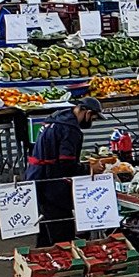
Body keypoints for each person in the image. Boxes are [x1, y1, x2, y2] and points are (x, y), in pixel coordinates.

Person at [29, 90, 102, 247]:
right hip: (52, 184)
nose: (91, 123)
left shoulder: (55, 119)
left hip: (36, 178)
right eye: (93, 118)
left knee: (45, 227)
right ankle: (64, 266)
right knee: (62, 232)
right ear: (87, 113)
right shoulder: (70, 129)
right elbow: (66, 164)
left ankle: (42, 264)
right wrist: (89, 168)